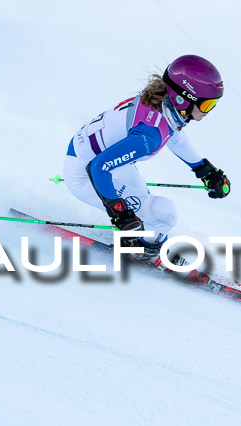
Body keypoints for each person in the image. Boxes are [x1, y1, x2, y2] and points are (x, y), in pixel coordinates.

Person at [63, 55, 230, 267]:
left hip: (103, 163)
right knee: (165, 215)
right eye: (207, 106)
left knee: (150, 214)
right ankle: (143, 252)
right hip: (85, 175)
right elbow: (98, 168)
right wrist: (119, 212)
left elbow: (175, 137)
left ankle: (143, 242)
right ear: (183, 99)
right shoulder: (148, 136)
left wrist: (205, 170)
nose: (208, 113)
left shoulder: (161, 105)